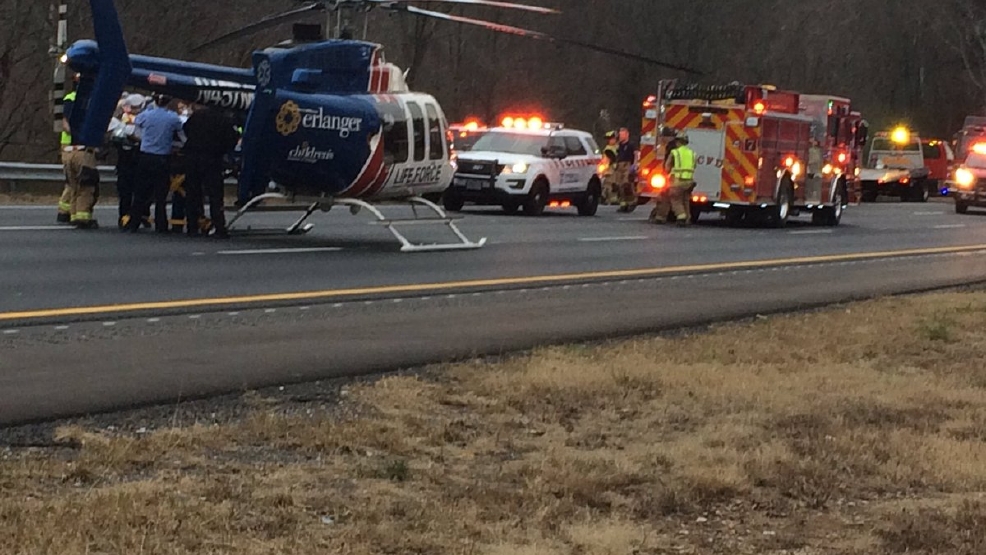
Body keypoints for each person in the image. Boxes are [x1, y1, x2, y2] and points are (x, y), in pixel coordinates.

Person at [125, 94, 185, 233]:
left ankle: (133, 223)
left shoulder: (146, 115)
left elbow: (137, 129)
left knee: (140, 192)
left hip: (145, 156)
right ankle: (161, 225)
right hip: (162, 158)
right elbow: (182, 137)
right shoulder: (173, 118)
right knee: (160, 195)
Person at [182, 103, 240, 238]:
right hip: (212, 158)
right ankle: (219, 226)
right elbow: (231, 140)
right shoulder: (225, 120)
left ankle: (192, 225)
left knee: (192, 192)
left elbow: (186, 129)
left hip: (193, 157)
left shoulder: (197, 116)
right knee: (215, 195)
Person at [110, 94, 146, 229]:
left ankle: (138, 215)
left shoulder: (143, 119)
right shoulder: (122, 119)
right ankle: (125, 216)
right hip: (126, 159)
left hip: (135, 158)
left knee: (137, 190)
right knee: (126, 191)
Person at [666, 133, 697, 226]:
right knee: (685, 200)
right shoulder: (692, 153)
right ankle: (688, 218)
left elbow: (667, 166)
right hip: (689, 182)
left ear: (678, 142)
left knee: (675, 199)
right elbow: (694, 166)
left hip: (677, 181)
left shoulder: (675, 152)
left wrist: (669, 174)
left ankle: (681, 217)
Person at [649, 138, 678, 224]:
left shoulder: (671, 148)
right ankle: (683, 218)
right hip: (678, 178)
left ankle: (660, 217)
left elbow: (668, 164)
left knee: (664, 198)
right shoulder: (677, 148)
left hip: (670, 177)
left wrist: (665, 173)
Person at [614, 127, 637, 213]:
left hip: (627, 165)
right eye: (620, 135)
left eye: (622, 134)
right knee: (619, 185)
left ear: (627, 135)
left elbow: (635, 154)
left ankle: (632, 202)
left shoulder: (631, 145)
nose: (621, 136)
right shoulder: (619, 145)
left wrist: (634, 165)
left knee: (626, 184)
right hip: (619, 165)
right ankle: (623, 204)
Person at [599, 131, 619, 204]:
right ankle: (607, 198)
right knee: (609, 184)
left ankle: (608, 198)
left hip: (615, 169)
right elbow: (607, 160)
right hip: (609, 169)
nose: (611, 141)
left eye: (613, 139)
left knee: (613, 184)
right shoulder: (608, 149)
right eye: (610, 139)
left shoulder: (617, 147)